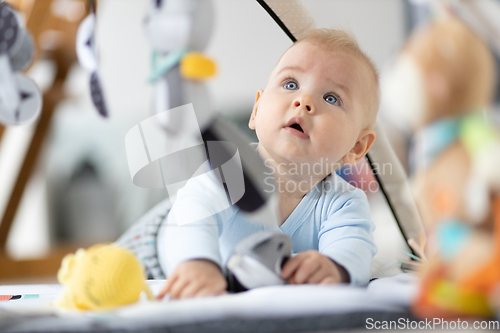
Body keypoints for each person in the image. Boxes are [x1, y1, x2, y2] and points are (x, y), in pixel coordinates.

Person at [118, 28, 380, 299]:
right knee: (106, 278)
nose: (304, 102)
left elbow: (355, 248)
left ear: (356, 147)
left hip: (239, 278)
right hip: (156, 252)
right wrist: (198, 263)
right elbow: (191, 217)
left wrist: (335, 268)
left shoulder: (344, 202)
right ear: (256, 111)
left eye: (331, 98)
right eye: (291, 84)